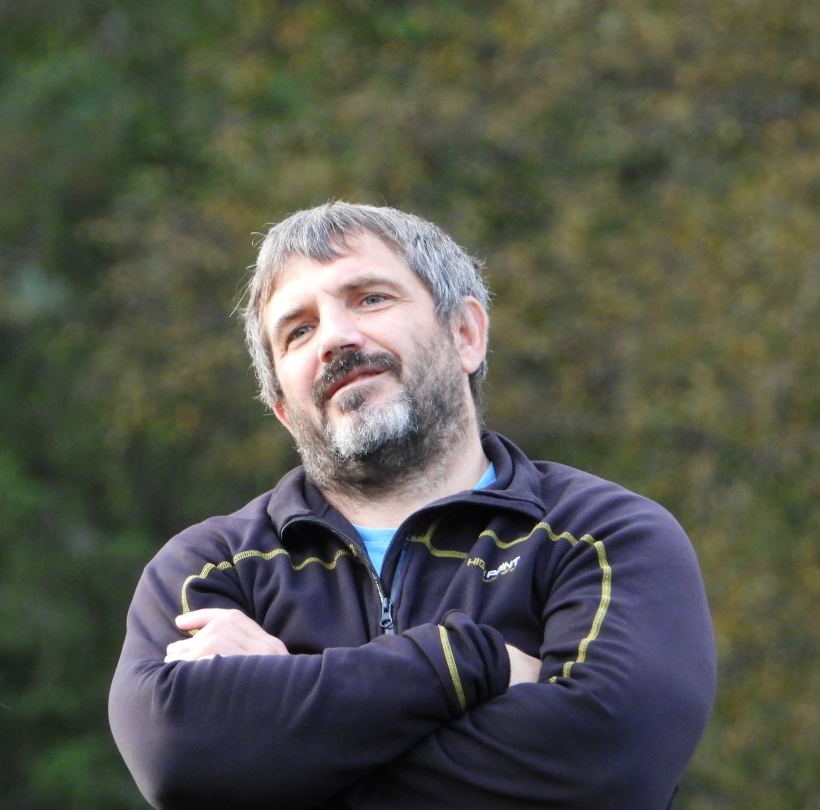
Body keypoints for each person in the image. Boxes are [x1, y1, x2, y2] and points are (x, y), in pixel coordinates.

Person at [108, 202, 716, 809]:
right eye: (298, 331)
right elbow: (174, 755)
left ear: (465, 335)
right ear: (285, 412)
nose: (335, 338)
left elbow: (603, 772)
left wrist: (285, 714)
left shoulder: (602, 535)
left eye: (370, 298)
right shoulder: (211, 570)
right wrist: (468, 661)